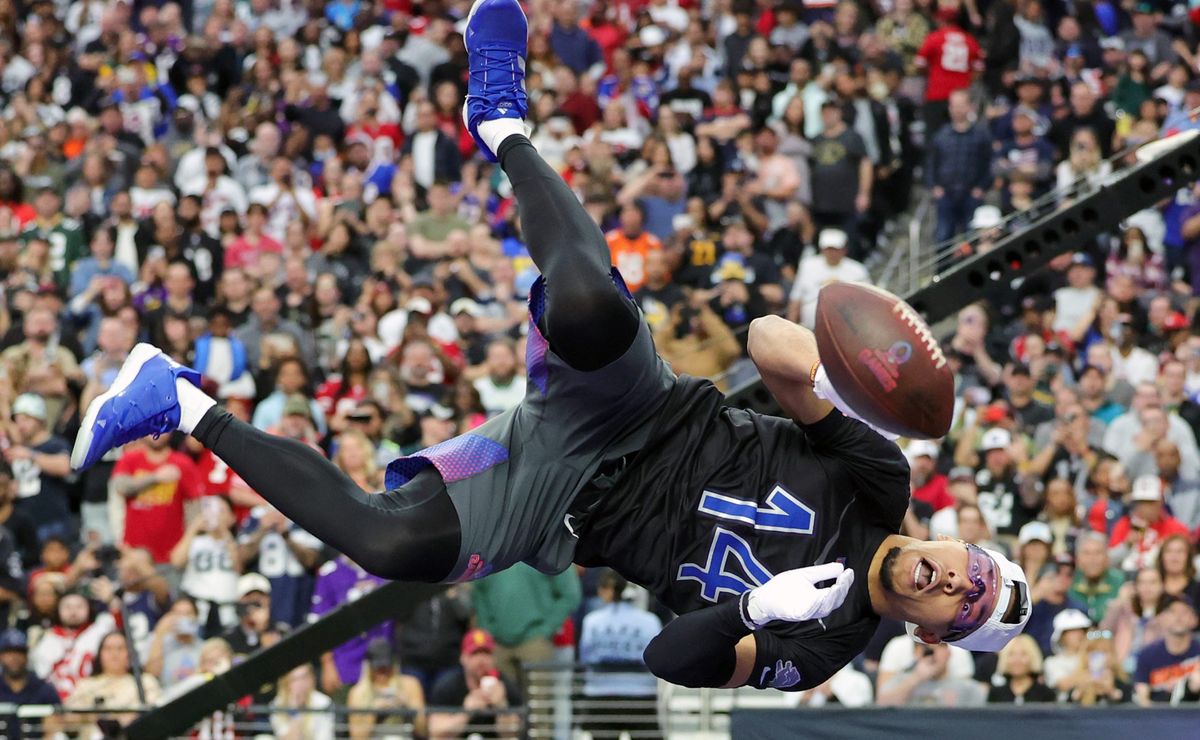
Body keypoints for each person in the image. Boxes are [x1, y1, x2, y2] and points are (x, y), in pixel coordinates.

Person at [71, 0, 1031, 695]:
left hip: (564, 510)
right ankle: (502, 119)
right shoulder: (882, 482)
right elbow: (770, 336)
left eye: (966, 604)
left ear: (942, 633)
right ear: (964, 547)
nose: (955, 581)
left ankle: (177, 399)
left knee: (390, 541)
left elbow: (666, 663)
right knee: (580, 299)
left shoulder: (825, 648)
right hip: (639, 408)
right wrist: (846, 383)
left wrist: (754, 616)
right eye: (975, 570)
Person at [577, 571, 663, 740]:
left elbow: (585, 656)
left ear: (606, 591)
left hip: (600, 695)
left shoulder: (592, 621)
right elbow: (659, 657)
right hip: (641, 695)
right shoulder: (650, 621)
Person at [428, 628, 523, 740]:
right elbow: (436, 734)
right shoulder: (447, 685)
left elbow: (513, 736)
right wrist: (466, 713)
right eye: (475, 653)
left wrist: (501, 706)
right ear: (463, 658)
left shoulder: (505, 685)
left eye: (486, 653)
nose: (481, 660)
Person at [346, 637, 427, 740]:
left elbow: (424, 731)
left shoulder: (410, 685)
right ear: (369, 666)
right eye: (378, 668)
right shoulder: (357, 693)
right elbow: (356, 737)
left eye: (386, 667)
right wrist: (373, 712)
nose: (382, 672)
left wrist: (406, 708)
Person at [1132, 594, 1200, 705]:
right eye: (1172, 612)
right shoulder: (1147, 655)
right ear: (1161, 618)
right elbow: (1142, 697)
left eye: (1184, 612)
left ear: (1195, 619)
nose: (1179, 617)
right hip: (1157, 717)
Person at [0, 628, 60, 740]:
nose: (14, 657)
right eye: (9, 652)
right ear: (1, 656)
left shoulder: (44, 689)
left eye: (19, 652)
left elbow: (52, 731)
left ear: (27, 655)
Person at [987, 633, 1056, 704]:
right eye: (1011, 654)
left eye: (1023, 654)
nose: (1017, 660)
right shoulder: (995, 694)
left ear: (1032, 657)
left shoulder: (1046, 694)